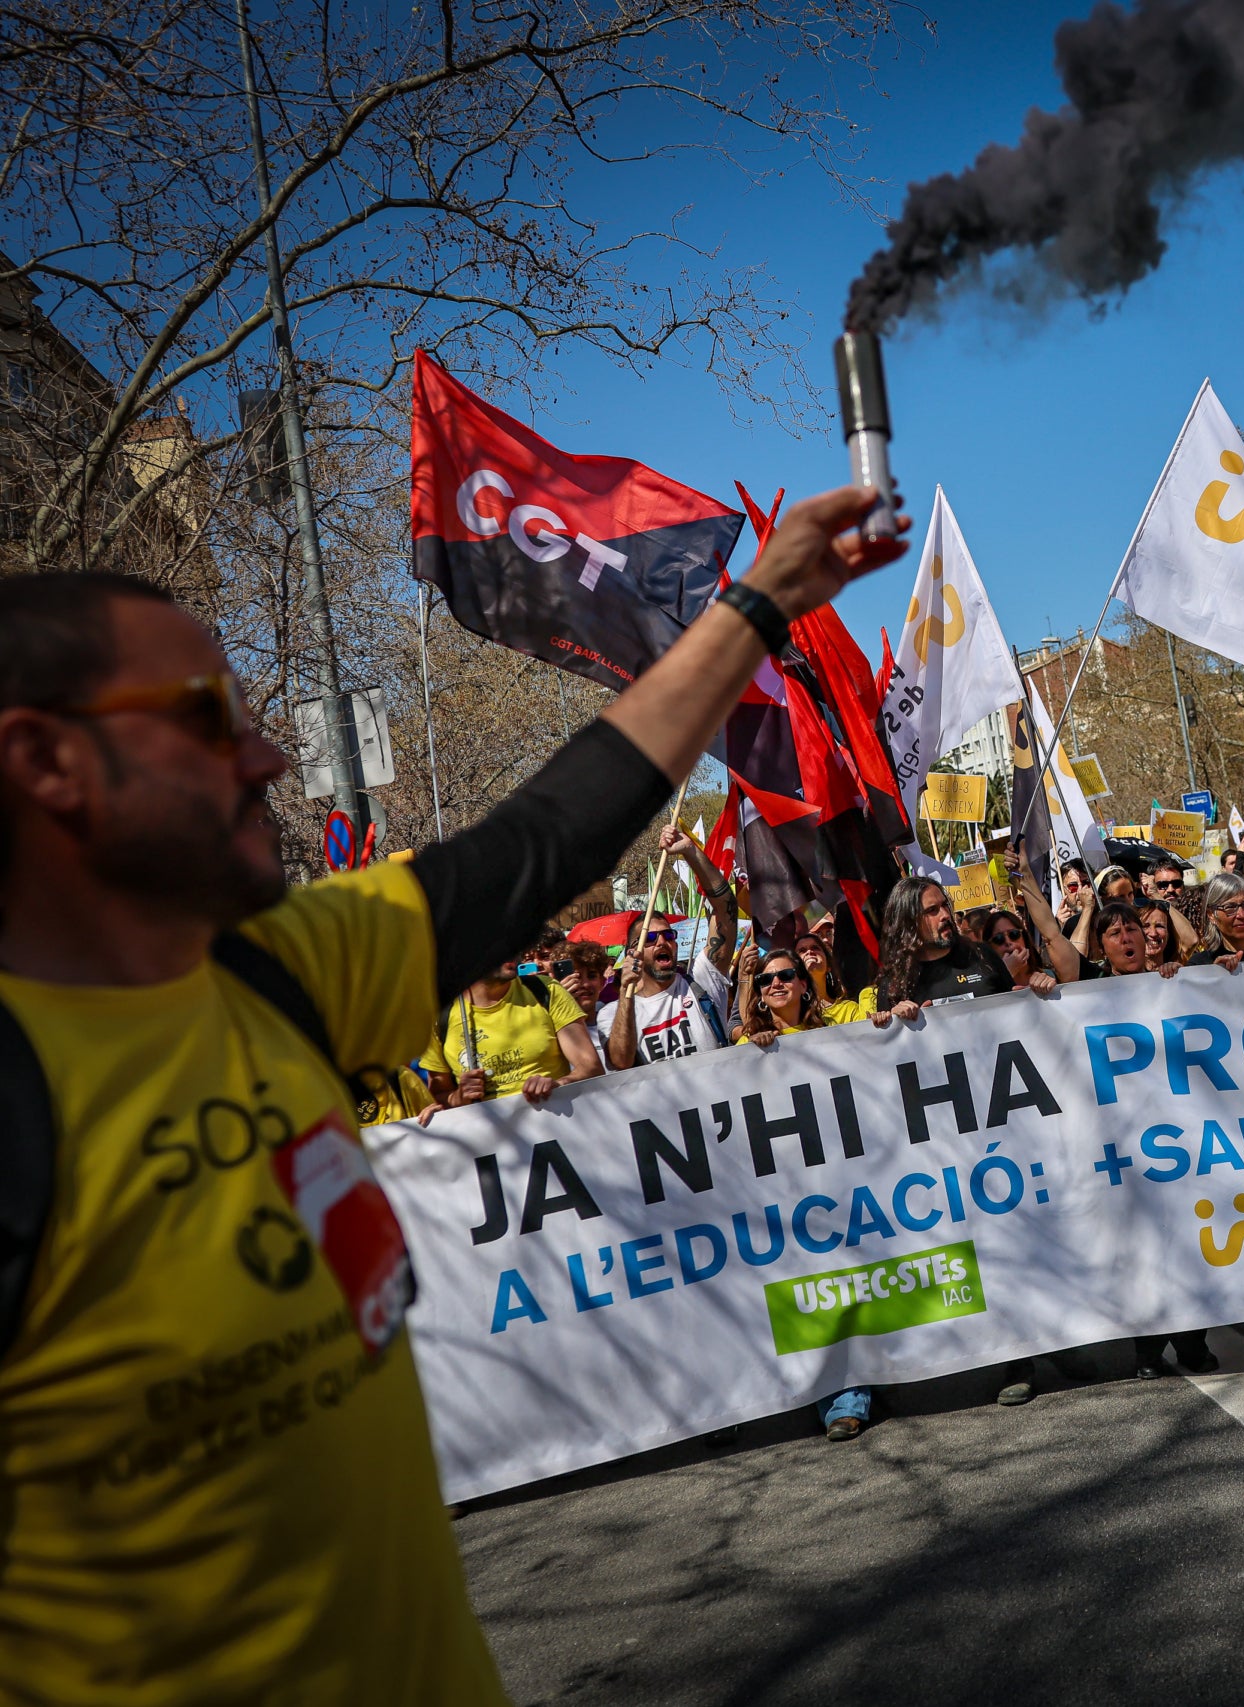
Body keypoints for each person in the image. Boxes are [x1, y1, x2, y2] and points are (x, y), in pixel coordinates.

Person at [0, 480, 907, 1697]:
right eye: (207, 717)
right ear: (45, 760)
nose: (267, 755)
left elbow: (550, 835)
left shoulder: (288, 975)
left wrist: (763, 600)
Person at [600, 823, 739, 1070]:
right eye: (650, 938)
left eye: (668, 935)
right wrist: (625, 992)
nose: (662, 942)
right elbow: (621, 1062)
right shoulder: (612, 1013)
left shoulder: (703, 981)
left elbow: (726, 909)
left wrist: (690, 851)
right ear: (632, 952)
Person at [423, 951, 602, 1109]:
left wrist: (558, 1084)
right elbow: (438, 1097)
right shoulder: (439, 1017)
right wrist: (458, 1097)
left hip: (554, 1124)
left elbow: (591, 1068)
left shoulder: (546, 990)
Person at [869, 876, 1032, 1023]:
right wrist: (895, 1022)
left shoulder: (982, 955)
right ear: (910, 922)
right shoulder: (895, 984)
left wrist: (1036, 990)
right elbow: (892, 1043)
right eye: (932, 910)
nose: (945, 914)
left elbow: (1020, 1014)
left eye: (945, 905)